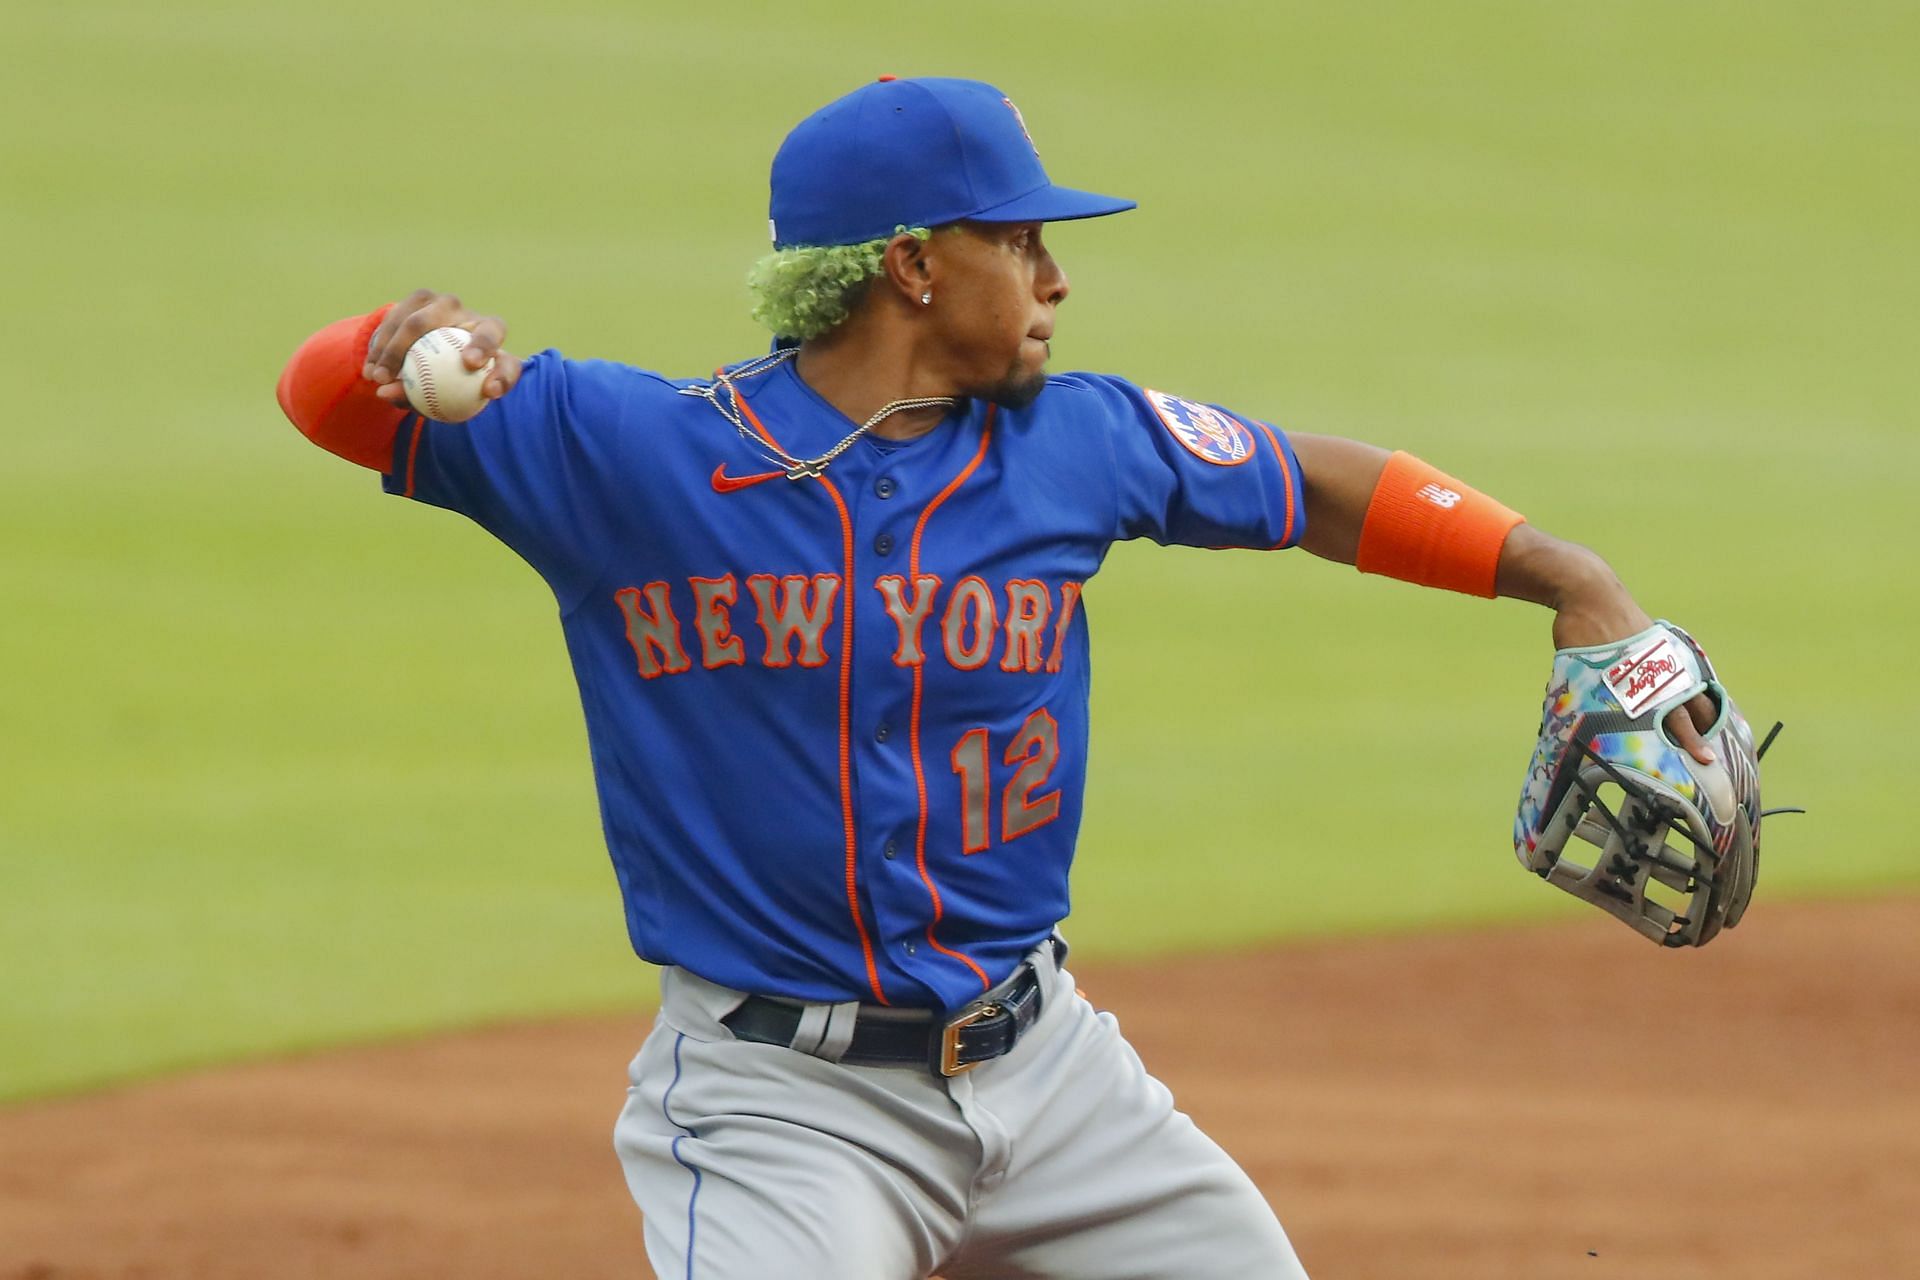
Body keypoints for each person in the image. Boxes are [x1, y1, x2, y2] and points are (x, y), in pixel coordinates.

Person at [277, 75, 1714, 1280]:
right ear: (912, 264)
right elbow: (325, 400)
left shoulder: (1073, 441)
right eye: (1021, 241)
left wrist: (1575, 582)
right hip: (783, 1105)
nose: (1056, 278)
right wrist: (389, 350)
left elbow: (1318, 489)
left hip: (1053, 1072)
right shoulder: (624, 450)